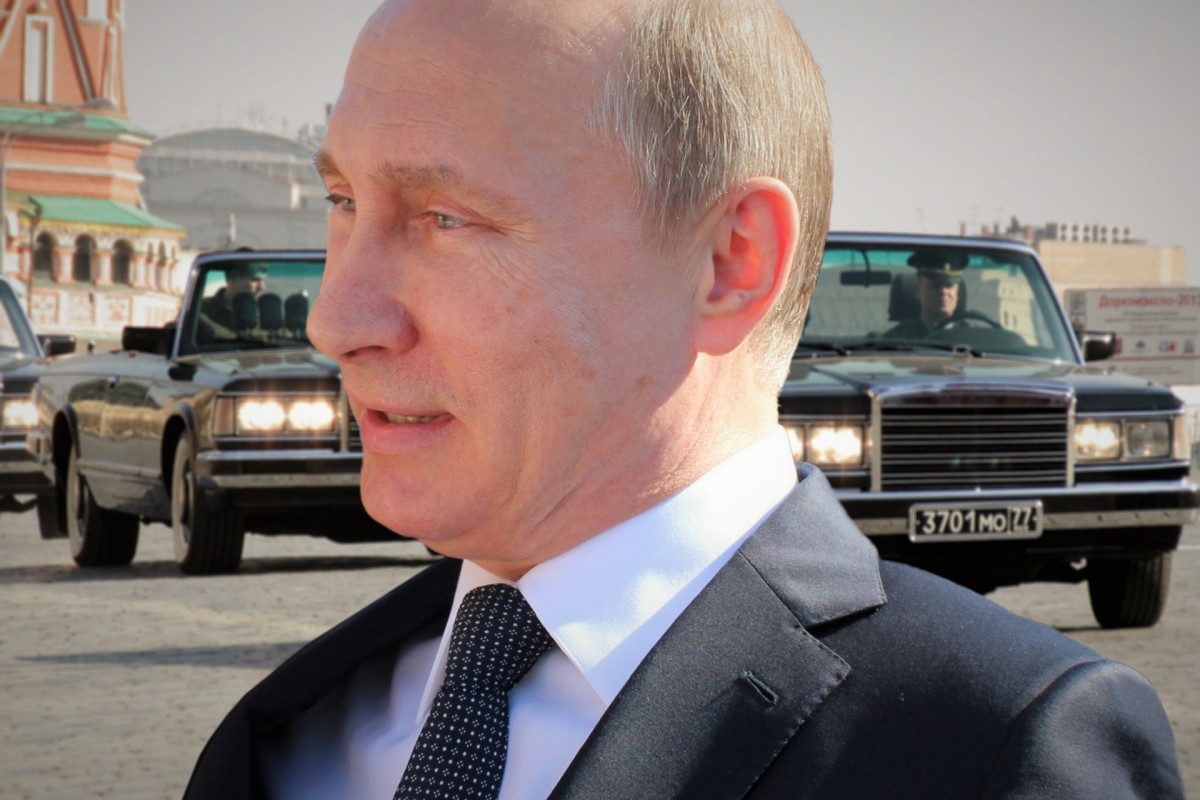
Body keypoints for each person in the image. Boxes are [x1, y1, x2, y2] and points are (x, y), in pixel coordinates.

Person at [184, 1, 1183, 798]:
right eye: (345, 202)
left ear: (729, 260)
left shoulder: (996, 746)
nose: (336, 319)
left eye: (445, 217)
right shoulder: (297, 731)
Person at [885, 251, 965, 338]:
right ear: (917, 290)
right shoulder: (896, 339)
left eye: (949, 286)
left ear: (957, 292)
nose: (943, 292)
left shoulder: (970, 338)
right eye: (936, 286)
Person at [197, 262, 268, 341]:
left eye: (264, 281)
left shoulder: (266, 315)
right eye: (255, 280)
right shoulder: (198, 313)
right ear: (233, 276)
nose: (262, 287)